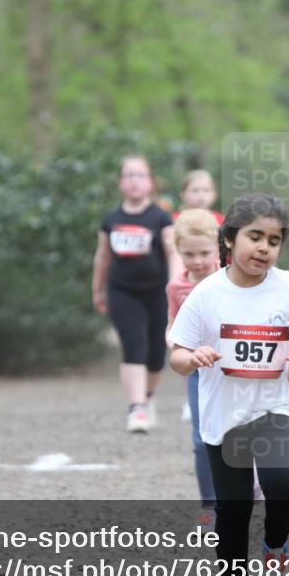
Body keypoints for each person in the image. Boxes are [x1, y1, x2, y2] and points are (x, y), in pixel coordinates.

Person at [168, 194, 289, 576]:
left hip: (275, 406)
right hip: (224, 415)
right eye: (254, 236)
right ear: (230, 239)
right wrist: (193, 357)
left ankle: (275, 547)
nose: (264, 247)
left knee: (282, 482)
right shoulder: (206, 294)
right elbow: (177, 354)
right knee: (233, 508)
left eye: (273, 240)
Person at [92, 155, 177, 433]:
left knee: (155, 353)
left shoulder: (160, 217)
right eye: (128, 175)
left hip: (157, 292)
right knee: (133, 344)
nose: (134, 181)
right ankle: (136, 408)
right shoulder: (111, 219)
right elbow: (102, 257)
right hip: (122, 291)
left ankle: (148, 398)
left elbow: (173, 252)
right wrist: (98, 289)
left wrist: (175, 286)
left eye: (140, 175)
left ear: (151, 182)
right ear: (120, 183)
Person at [166, 209, 221, 529]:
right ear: (178, 251)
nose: (197, 261)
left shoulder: (230, 278)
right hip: (198, 371)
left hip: (233, 368)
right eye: (189, 254)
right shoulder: (176, 288)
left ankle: (251, 486)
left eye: (204, 253)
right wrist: (173, 339)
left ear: (218, 249)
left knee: (240, 432)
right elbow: (174, 324)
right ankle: (209, 504)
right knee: (202, 439)